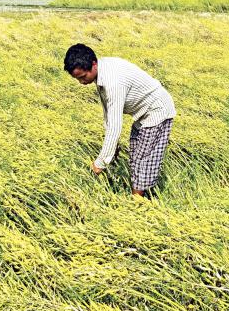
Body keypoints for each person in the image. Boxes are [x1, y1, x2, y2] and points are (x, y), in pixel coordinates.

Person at [64, 43, 176, 197]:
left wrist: (101, 162)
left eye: (83, 77)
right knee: (136, 156)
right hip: (143, 113)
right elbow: (108, 114)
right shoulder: (101, 71)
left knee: (142, 160)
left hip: (157, 111)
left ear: (93, 64)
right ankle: (140, 197)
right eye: (77, 79)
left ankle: (137, 204)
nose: (81, 82)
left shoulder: (113, 81)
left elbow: (115, 126)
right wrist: (112, 148)